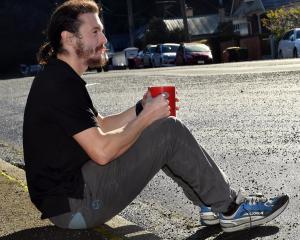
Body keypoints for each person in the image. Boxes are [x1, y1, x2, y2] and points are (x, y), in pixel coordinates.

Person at [23, 0, 289, 233]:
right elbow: (102, 151)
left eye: (102, 31)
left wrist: (141, 108)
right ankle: (230, 208)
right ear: (69, 38)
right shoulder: (59, 84)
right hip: (75, 207)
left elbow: (100, 125)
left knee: (158, 127)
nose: (104, 40)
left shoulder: (60, 77)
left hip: (71, 196)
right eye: (95, 32)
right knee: (166, 130)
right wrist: (147, 118)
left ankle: (210, 201)